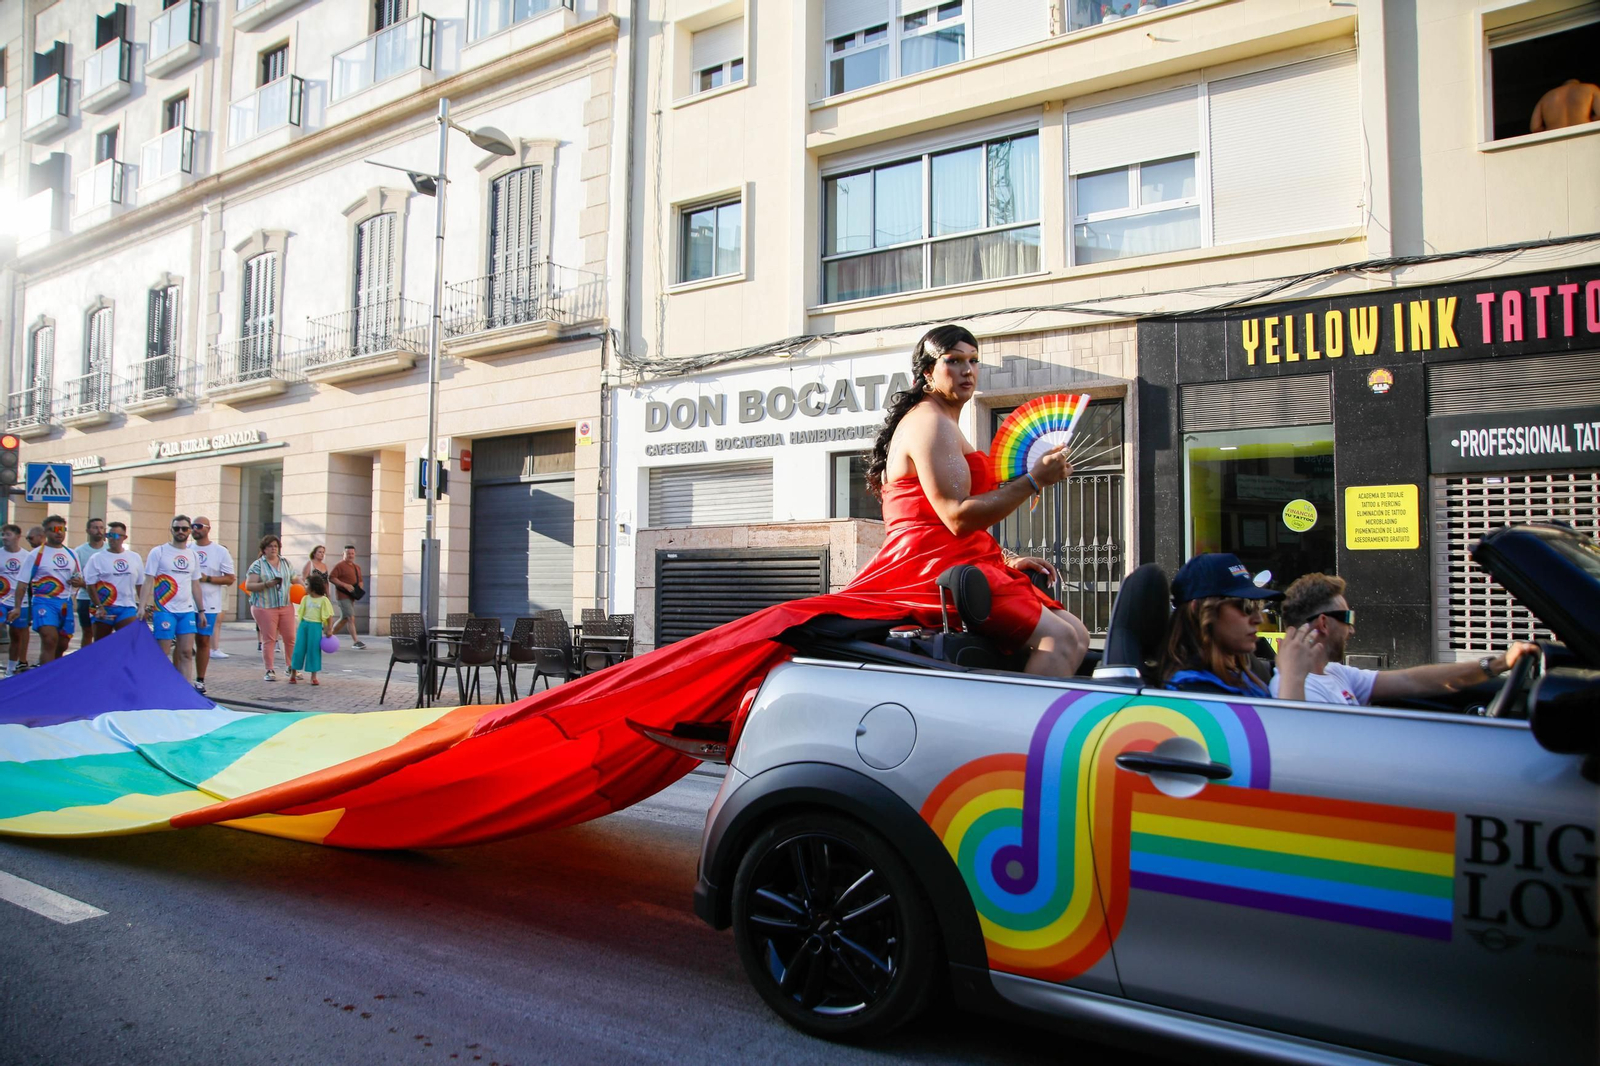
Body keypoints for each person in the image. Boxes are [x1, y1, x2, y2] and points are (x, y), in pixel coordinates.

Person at [861, 325, 1088, 676]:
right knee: (1061, 639)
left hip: (959, 560)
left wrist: (1007, 559)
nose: (968, 370)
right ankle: (1013, 730)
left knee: (1077, 633)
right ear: (927, 373)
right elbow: (956, 517)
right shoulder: (930, 423)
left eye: (974, 360)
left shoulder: (941, 421)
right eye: (954, 361)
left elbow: (951, 521)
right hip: (931, 569)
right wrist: (1034, 480)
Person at [1271, 572, 1540, 706]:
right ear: (1324, 623)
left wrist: (1495, 664)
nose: (1353, 630)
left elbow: (1412, 680)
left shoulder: (1335, 673)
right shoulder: (1296, 689)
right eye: (1349, 618)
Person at [1160, 552, 1324, 701]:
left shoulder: (1243, 674)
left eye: (1256, 606)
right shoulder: (1190, 690)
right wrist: (1291, 677)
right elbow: (1281, 734)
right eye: (1244, 606)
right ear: (1198, 611)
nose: (1258, 618)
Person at [139, 514, 205, 686]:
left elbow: (195, 584)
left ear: (190, 531)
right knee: (163, 653)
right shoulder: (159, 552)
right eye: (177, 528)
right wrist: (142, 606)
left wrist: (202, 610)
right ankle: (156, 687)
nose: (180, 531)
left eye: (184, 528)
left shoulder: (193, 555)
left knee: (186, 653)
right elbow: (148, 581)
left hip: (187, 611)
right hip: (165, 610)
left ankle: (184, 691)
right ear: (171, 530)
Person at [191, 516, 236, 694]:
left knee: (203, 641)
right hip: (186, 604)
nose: (195, 529)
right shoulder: (186, 549)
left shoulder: (219, 551)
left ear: (208, 529)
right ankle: (181, 678)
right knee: (184, 644)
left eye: (199, 526)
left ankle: (200, 679)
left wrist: (207, 578)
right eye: (192, 526)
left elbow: (230, 578)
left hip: (209, 604)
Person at [29, 515, 82, 665]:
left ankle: (53, 672)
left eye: (62, 529)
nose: (59, 533)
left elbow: (79, 578)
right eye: (54, 529)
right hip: (43, 601)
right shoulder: (35, 555)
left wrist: (79, 582)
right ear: (45, 532)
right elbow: (21, 583)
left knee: (62, 644)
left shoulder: (72, 554)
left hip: (65, 603)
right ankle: (43, 679)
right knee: (49, 639)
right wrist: (19, 607)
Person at [246, 534, 299, 682]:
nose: (273, 549)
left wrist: (305, 587)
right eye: (270, 546)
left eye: (276, 546)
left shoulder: (285, 562)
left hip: (285, 605)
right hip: (265, 606)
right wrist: (266, 584)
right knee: (269, 638)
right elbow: (249, 585)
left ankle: (291, 667)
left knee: (290, 637)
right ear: (264, 549)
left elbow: (295, 579)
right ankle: (269, 669)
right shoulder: (258, 565)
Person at [83, 522, 143, 638]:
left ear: (124, 538)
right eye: (109, 535)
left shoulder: (134, 557)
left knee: (130, 641)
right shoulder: (97, 558)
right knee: (101, 646)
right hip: (105, 607)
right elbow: (90, 585)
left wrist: (142, 606)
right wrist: (98, 607)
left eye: (115, 536)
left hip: (127, 607)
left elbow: (140, 584)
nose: (111, 539)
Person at [289, 572, 336, 685]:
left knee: (313, 650)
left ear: (313, 587)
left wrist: (329, 629)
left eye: (306, 584)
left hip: (316, 626)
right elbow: (301, 613)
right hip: (304, 625)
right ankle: (293, 673)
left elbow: (329, 615)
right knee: (298, 649)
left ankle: (313, 676)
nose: (305, 587)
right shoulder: (305, 598)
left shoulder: (323, 600)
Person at [0, 524, 35, 676]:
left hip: (20, 603)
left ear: (17, 536)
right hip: (1, 601)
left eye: (7, 534)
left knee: (16, 635)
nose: (4, 538)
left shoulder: (27, 556)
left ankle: (11, 669)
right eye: (3, 534)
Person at [73, 518, 108, 647]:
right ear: (88, 531)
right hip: (85, 598)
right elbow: (76, 578)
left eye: (101, 527)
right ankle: (85, 662)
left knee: (103, 634)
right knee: (87, 632)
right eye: (95, 527)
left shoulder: (110, 549)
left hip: (107, 599)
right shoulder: (79, 551)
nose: (99, 531)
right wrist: (87, 585)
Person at [327, 544, 366, 649]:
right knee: (350, 617)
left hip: (352, 596)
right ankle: (356, 641)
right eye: (348, 553)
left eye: (352, 553)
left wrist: (359, 587)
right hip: (342, 595)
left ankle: (328, 635)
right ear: (343, 554)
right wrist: (345, 585)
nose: (350, 555)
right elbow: (331, 578)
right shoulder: (339, 565)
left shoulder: (356, 567)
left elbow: (360, 580)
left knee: (344, 618)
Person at [1530, 79, 1600, 133]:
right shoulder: (1590, 89)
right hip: (1583, 133)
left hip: (1556, 139)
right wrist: (1589, 120)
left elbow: (1535, 128)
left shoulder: (1546, 97)